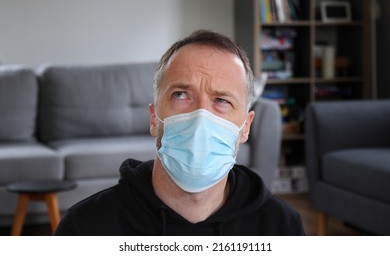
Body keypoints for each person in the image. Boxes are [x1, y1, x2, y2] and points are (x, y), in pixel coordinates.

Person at [54, 29, 305, 236]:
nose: (200, 117)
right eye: (181, 95)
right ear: (154, 118)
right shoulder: (85, 228)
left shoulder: (282, 228)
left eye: (222, 100)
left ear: (246, 127)